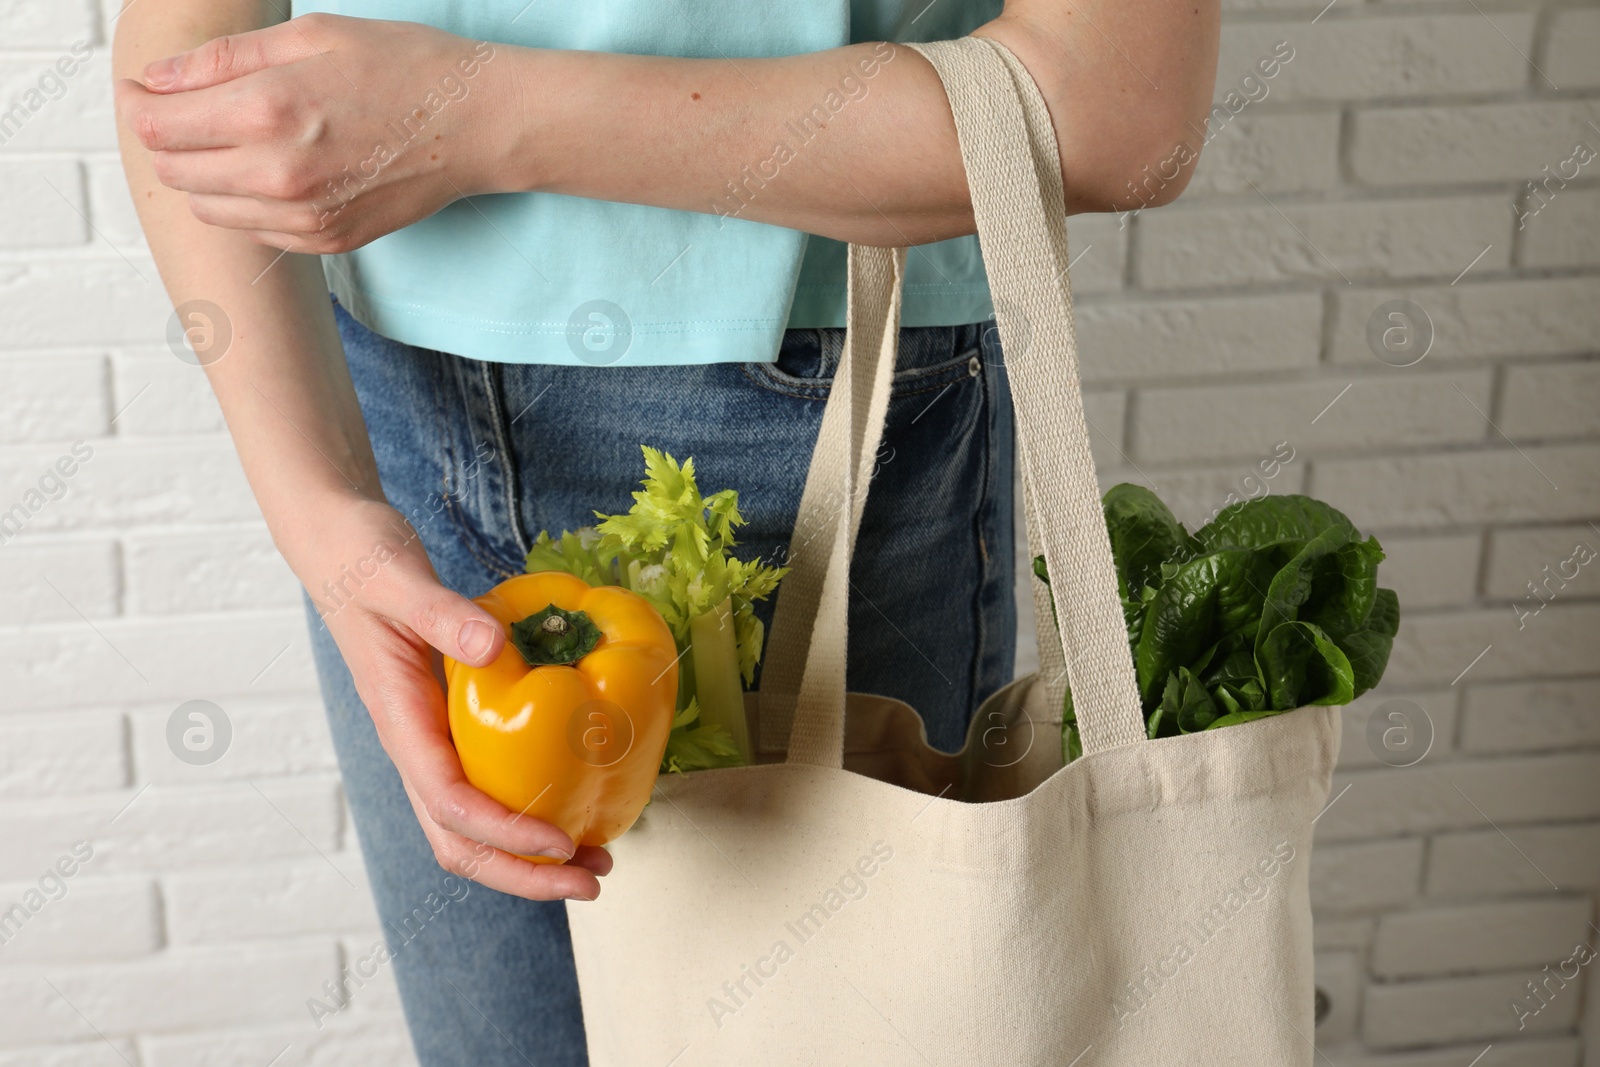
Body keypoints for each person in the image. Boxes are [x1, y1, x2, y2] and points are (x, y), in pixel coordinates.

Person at [112, 2, 1219, 1062]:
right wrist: (325, 512)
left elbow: (1120, 111)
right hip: (384, 412)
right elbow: (184, 41)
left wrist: (467, 116)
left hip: (821, 418)